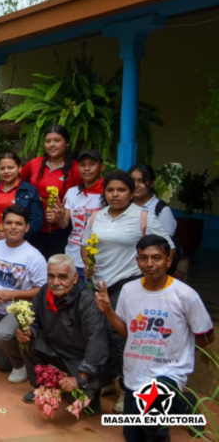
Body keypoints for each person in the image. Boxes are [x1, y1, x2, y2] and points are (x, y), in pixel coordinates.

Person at [95, 235, 214, 442]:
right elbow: (127, 331)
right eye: (143, 258)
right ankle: (185, 405)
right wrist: (107, 311)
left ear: (168, 260)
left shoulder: (185, 295)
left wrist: (181, 352)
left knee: (153, 421)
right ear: (137, 260)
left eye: (156, 258)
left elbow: (207, 336)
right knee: (132, 435)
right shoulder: (129, 290)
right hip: (136, 372)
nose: (149, 264)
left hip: (169, 371)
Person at [82, 170, 174, 414]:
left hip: (129, 285)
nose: (115, 194)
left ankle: (126, 389)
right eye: (110, 190)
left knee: (123, 337)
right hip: (98, 285)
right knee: (98, 334)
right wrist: (88, 266)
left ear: (132, 193)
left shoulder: (144, 217)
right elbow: (85, 245)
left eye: (121, 190)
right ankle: (106, 380)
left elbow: (168, 248)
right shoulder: (96, 217)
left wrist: (156, 280)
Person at [18, 254, 108, 412]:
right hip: (55, 348)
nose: (55, 282)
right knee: (27, 342)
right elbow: (34, 319)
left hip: (80, 358)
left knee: (86, 408)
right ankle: (44, 387)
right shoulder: (45, 291)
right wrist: (28, 332)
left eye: (62, 277)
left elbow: (97, 341)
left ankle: (87, 386)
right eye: (51, 276)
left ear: (75, 278)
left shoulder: (87, 300)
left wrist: (80, 378)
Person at [0, 205, 47, 381]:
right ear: (2, 225)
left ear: (27, 227)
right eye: (9, 223)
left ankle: (21, 364)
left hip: (19, 309)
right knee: (1, 365)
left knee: (0, 335)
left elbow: (42, 290)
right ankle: (14, 351)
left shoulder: (34, 256)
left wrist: (12, 295)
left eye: (19, 223)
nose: (13, 227)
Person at [20, 125, 82, 259]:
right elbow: (18, 183)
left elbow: (81, 201)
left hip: (60, 231)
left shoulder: (76, 169)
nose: (52, 145)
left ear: (67, 144)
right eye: (48, 141)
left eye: (57, 140)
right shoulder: (34, 164)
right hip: (33, 227)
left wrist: (61, 216)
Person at [50, 149, 105, 284]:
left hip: (99, 260)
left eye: (92, 164)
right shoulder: (73, 192)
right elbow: (64, 224)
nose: (87, 168)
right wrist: (60, 216)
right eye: (82, 164)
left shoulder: (108, 192)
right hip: (73, 256)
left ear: (102, 167)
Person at [0, 153, 42, 244]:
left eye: (10, 168)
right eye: (2, 168)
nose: (6, 171)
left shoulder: (30, 191)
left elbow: (37, 223)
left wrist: (12, 234)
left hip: (19, 244)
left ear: (19, 168)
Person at [129, 164, 177, 237]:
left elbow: (166, 244)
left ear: (152, 183)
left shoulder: (161, 210)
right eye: (132, 181)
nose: (136, 185)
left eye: (141, 181)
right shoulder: (125, 206)